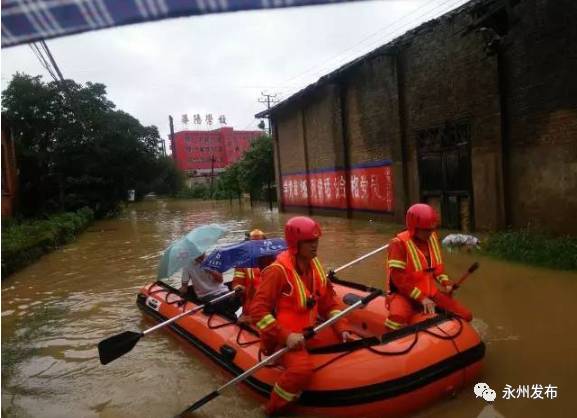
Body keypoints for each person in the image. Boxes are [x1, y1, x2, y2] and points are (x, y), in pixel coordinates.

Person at [250, 216, 350, 416]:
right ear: (295, 244)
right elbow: (257, 311)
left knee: (346, 343)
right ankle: (271, 409)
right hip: (283, 338)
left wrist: (342, 327)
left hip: (308, 332)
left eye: (316, 241)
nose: (315, 246)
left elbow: (329, 301)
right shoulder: (277, 272)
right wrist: (285, 336)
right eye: (309, 242)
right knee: (301, 370)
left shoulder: (315, 267)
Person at [384, 203, 473, 332]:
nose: (430, 233)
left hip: (430, 292)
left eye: (432, 229)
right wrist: (421, 298)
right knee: (396, 320)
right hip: (403, 294)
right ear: (414, 227)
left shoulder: (432, 239)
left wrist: (446, 283)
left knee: (466, 315)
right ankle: (387, 345)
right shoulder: (398, 244)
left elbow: (437, 269)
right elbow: (398, 280)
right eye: (426, 230)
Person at [180, 253, 241, 319]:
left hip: (223, 291)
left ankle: (229, 314)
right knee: (223, 304)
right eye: (198, 254)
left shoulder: (213, 260)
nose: (201, 256)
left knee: (239, 297)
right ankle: (228, 315)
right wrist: (180, 295)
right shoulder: (187, 266)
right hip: (206, 295)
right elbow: (184, 287)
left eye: (202, 253)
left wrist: (210, 270)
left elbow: (220, 280)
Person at [233, 229, 268, 316]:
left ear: (265, 243)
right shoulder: (242, 262)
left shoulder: (272, 260)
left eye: (259, 243)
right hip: (251, 305)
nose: (256, 246)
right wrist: (238, 288)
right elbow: (237, 282)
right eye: (253, 243)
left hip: (270, 305)